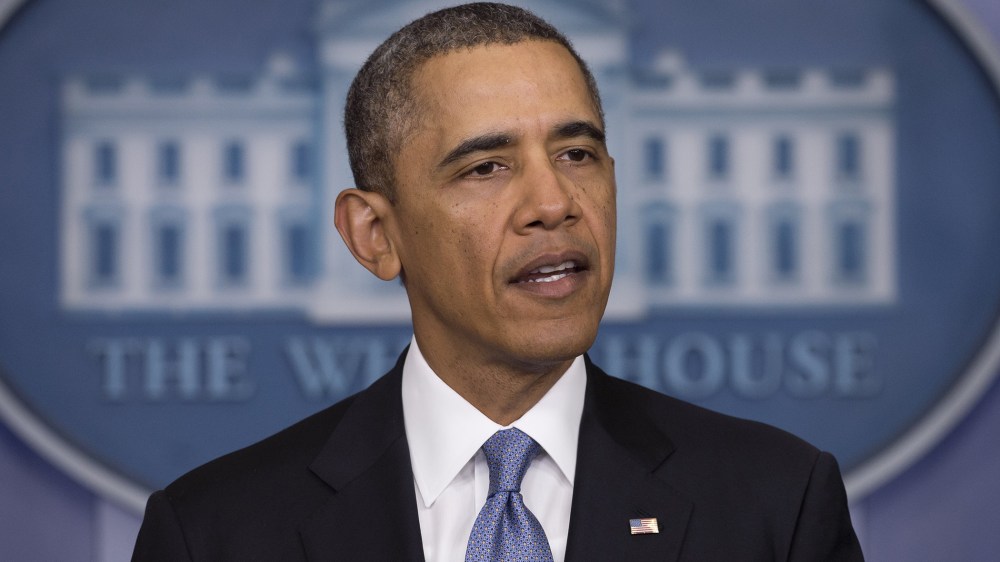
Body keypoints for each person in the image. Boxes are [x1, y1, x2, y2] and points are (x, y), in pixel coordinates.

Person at [133, 3, 864, 560]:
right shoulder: (213, 533)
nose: (554, 204)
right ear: (374, 236)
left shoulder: (777, 503)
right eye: (487, 167)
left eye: (577, 153)